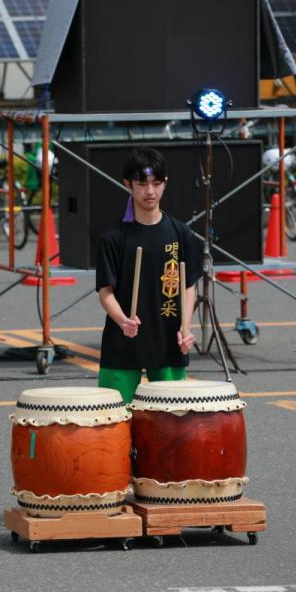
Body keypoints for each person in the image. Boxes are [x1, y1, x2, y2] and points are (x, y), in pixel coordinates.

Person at [95, 147, 202, 403]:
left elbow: (189, 288)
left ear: (165, 183)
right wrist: (123, 321)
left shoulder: (180, 233)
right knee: (115, 418)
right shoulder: (113, 237)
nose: (150, 191)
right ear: (128, 184)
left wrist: (186, 328)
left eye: (156, 183)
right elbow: (105, 291)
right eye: (142, 184)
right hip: (123, 340)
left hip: (168, 339)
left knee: (169, 420)